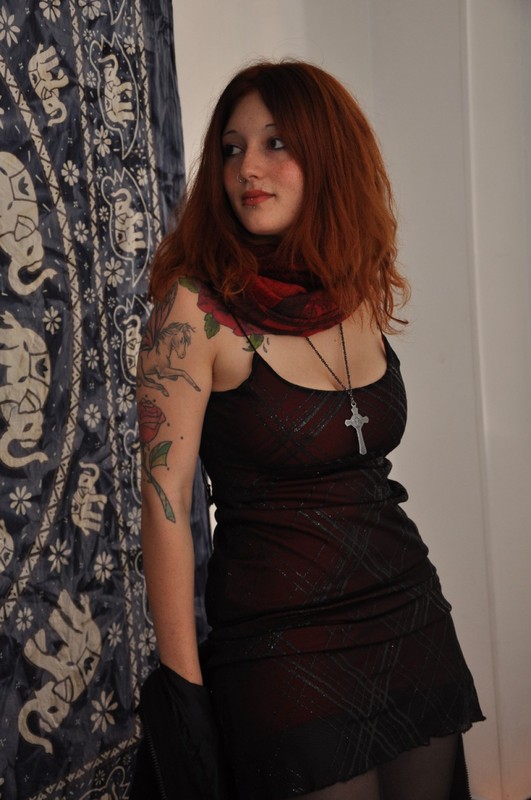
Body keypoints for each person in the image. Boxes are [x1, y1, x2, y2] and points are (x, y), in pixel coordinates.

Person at [135, 59, 484, 800]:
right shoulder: (195, 310)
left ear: (327, 157)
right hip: (280, 642)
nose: (247, 168)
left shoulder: (354, 290)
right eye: (232, 149)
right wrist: (184, 696)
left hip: (408, 614)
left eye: (276, 143)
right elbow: (164, 507)